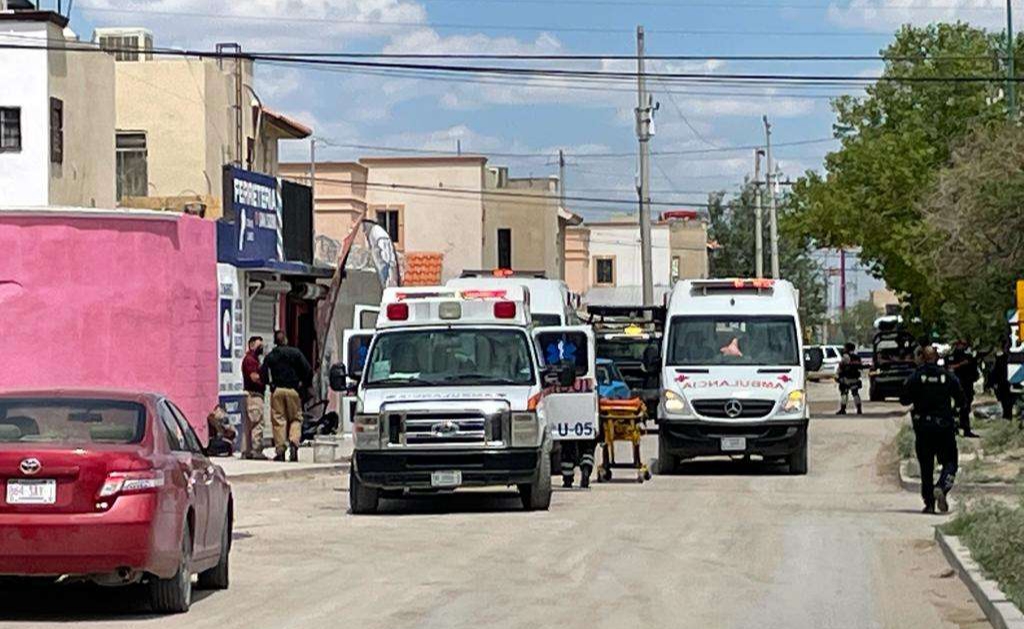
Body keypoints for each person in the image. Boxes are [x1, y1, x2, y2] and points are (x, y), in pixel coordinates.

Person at [900, 346, 965, 514]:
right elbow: (961, 398)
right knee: (950, 462)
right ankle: (942, 487)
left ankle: (929, 503)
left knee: (926, 467)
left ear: (922, 358)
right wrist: (955, 412)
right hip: (944, 426)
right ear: (937, 358)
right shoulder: (947, 376)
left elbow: (904, 399)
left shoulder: (915, 376)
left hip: (923, 427)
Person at [261, 331, 313, 462]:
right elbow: (308, 370)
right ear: (286, 340)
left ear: (275, 342)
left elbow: (263, 373)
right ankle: (294, 443)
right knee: (296, 418)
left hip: (277, 390)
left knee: (279, 420)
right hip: (293, 390)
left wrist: (270, 384)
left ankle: (280, 451)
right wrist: (303, 383)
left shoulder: (271, 356)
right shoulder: (296, 353)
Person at [241, 336, 268, 459]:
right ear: (252, 345)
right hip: (254, 395)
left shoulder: (255, 359)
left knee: (249, 424)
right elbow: (254, 377)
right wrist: (265, 379)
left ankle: (247, 450)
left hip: (253, 395)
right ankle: (256, 450)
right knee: (257, 423)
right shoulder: (250, 360)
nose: (261, 348)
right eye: (259, 345)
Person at [947, 340, 980, 437]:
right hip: (955, 386)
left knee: (965, 407)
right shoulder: (951, 356)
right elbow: (948, 367)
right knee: (954, 408)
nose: (962, 347)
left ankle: (965, 428)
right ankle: (954, 428)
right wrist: (961, 364)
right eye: (960, 345)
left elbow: (974, 370)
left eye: (964, 345)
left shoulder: (968, 356)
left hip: (967, 385)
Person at [990, 337, 1014, 421]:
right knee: (1005, 401)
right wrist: (993, 383)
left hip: (1012, 382)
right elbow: (995, 371)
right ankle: (1007, 415)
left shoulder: (1016, 358)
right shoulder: (1000, 359)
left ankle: (1008, 415)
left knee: (1010, 401)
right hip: (1003, 383)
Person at [836, 342, 863, 415]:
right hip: (855, 378)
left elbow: (841, 367)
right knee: (855, 394)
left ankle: (843, 409)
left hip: (846, 379)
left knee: (844, 393)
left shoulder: (845, 356)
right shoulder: (857, 357)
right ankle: (859, 409)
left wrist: (838, 376)